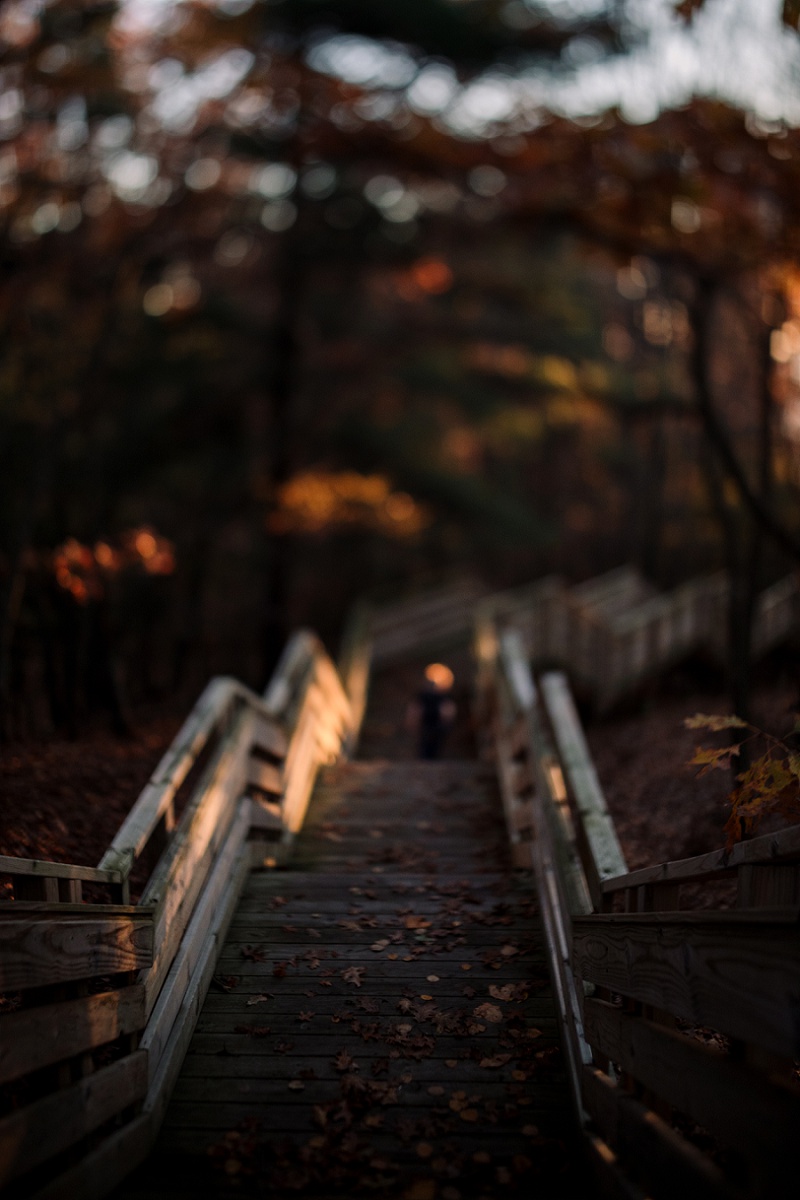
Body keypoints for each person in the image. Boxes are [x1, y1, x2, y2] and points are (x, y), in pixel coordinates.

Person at [407, 663, 456, 760]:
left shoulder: (442, 698)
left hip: (435, 724)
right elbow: (415, 709)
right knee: (426, 744)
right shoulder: (423, 697)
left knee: (433, 744)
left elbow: (447, 710)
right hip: (427, 723)